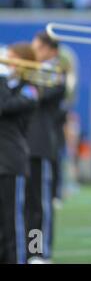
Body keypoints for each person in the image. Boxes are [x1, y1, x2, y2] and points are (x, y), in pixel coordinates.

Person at [26, 32, 66, 263]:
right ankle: (28, 251)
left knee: (40, 205)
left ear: (51, 51)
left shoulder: (55, 72)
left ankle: (40, 253)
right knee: (26, 204)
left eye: (38, 48)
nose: (34, 53)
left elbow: (39, 95)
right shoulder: (34, 71)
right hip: (25, 146)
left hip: (41, 145)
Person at [0, 43, 39, 263]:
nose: (7, 62)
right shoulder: (7, 85)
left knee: (13, 222)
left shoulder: (30, 89)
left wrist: (2, 78)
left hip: (11, 160)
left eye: (12, 58)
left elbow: (4, 106)